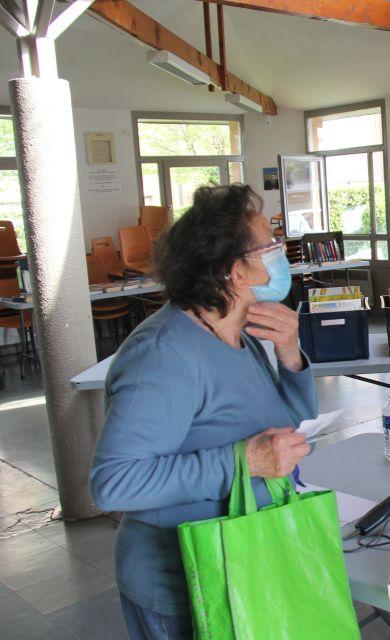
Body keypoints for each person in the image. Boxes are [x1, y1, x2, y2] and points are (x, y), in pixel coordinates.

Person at [90, 184, 317, 639]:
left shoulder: (242, 331)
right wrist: (243, 461)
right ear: (235, 271)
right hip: (184, 585)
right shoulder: (164, 354)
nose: (281, 253)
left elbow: (289, 423)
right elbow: (114, 485)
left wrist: (291, 353)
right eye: (269, 244)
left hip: (245, 560)